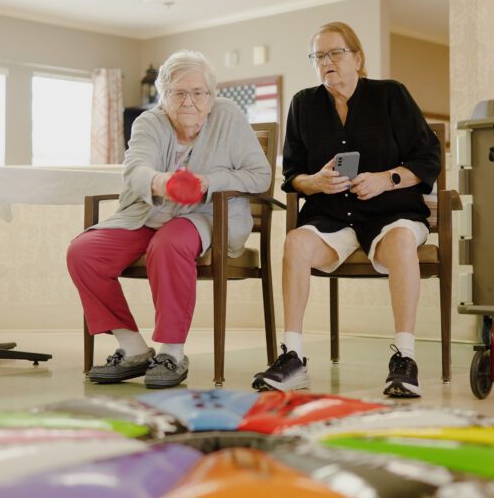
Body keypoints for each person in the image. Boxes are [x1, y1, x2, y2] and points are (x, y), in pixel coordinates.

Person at [253, 22, 440, 398]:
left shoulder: (391, 95)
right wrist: (316, 182)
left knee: (402, 238)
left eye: (335, 53)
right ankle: (293, 357)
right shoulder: (303, 104)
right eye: (318, 56)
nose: (327, 62)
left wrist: (386, 179)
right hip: (332, 218)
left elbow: (428, 159)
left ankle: (404, 358)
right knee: (295, 242)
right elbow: (292, 176)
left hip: (392, 215)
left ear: (357, 57)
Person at [67, 50, 272, 389]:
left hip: (207, 214)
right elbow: (135, 170)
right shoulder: (150, 122)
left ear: (211, 95)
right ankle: (132, 348)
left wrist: (208, 181)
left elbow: (259, 175)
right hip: (148, 213)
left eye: (198, 92)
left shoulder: (229, 116)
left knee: (170, 242)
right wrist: (163, 183)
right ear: (164, 96)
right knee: (84, 252)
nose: (189, 101)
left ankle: (172, 353)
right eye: (178, 92)